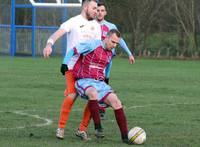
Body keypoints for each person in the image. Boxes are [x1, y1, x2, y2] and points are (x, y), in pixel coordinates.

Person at [43, 0, 101, 140]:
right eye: (94, 8)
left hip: (88, 68)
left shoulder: (96, 26)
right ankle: (61, 128)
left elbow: (97, 48)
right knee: (72, 94)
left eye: (97, 9)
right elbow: (56, 34)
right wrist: (49, 45)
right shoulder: (73, 22)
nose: (96, 11)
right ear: (85, 7)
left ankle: (82, 129)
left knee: (94, 97)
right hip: (71, 65)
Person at [62, 29, 132, 144]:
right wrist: (64, 63)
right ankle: (98, 128)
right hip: (84, 80)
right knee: (93, 93)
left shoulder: (111, 51)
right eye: (113, 42)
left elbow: (108, 64)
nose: (114, 46)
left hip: (100, 83)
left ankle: (125, 137)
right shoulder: (92, 44)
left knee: (116, 102)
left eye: (116, 44)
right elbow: (72, 51)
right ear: (106, 38)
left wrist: (107, 79)